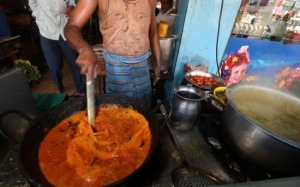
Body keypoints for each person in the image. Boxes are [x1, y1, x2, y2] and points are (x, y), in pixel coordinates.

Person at [64, 0, 161, 107]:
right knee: (118, 112)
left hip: (143, 66)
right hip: (116, 67)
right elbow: (71, 27)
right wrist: (84, 49)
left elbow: (152, 33)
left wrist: (158, 64)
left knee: (144, 110)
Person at [28, 0, 86, 96]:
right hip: (46, 29)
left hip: (65, 27)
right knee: (53, 64)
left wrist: (71, 8)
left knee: (74, 61)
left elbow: (72, 4)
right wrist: (38, 14)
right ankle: (58, 86)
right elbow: (32, 3)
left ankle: (81, 89)